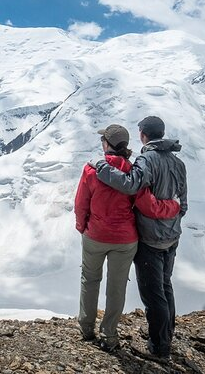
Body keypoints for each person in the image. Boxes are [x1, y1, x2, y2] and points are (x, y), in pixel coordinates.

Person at [75, 124, 180, 352]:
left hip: (95, 234)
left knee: (90, 279)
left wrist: (82, 226)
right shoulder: (133, 170)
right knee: (117, 287)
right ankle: (109, 335)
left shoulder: (91, 170)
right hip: (125, 239)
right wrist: (174, 207)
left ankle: (86, 327)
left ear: (106, 144)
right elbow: (145, 204)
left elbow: (81, 203)